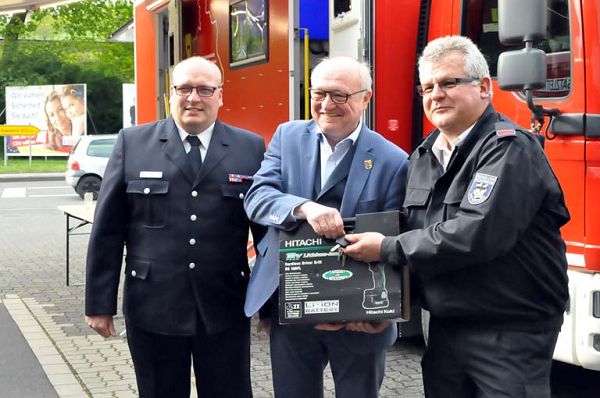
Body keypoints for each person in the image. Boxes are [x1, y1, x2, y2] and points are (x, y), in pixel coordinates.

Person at [343, 35, 569, 398]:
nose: (436, 94)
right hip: (447, 329)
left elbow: (476, 234)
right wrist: (387, 305)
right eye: (427, 87)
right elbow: (420, 237)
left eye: (449, 82)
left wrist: (386, 247)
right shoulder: (422, 156)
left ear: (483, 87)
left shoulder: (508, 149)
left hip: (509, 332)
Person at [84, 56, 266, 398]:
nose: (193, 98)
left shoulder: (250, 147)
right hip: (153, 304)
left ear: (220, 95)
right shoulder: (133, 143)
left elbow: (265, 231)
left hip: (225, 304)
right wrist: (98, 302)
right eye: (184, 88)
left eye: (204, 89)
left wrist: (270, 307)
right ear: (171, 93)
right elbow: (108, 230)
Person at [244, 56, 409, 398]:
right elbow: (258, 197)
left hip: (359, 316)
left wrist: (376, 312)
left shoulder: (393, 160)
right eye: (319, 93)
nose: (326, 104)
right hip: (294, 304)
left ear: (366, 97)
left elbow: (395, 239)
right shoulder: (287, 137)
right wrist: (303, 207)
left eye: (340, 95)